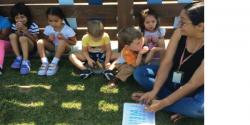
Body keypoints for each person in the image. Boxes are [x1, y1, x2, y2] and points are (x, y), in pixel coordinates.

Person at [132, 2, 204, 122]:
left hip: (195, 88)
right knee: (140, 73)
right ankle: (179, 105)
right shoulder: (180, 33)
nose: (179, 25)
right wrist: (154, 91)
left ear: (200, 26)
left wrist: (162, 104)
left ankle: (166, 102)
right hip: (173, 76)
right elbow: (167, 62)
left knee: (200, 108)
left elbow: (193, 84)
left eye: (183, 22)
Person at [37, 7, 81, 76]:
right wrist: (49, 39)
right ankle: (45, 63)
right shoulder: (48, 28)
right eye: (50, 21)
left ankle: (54, 63)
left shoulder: (67, 29)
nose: (53, 23)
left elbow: (74, 42)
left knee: (61, 42)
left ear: (62, 19)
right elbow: (46, 41)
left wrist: (64, 39)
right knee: (40, 41)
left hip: (66, 49)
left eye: (56, 21)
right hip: (54, 47)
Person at [9, 2, 39, 75]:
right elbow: (15, 37)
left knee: (23, 38)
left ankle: (25, 61)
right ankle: (18, 58)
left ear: (27, 17)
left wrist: (26, 32)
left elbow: (36, 41)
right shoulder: (14, 25)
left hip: (31, 48)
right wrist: (18, 31)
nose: (20, 20)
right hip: (20, 48)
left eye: (22, 17)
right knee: (12, 36)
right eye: (17, 18)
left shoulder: (33, 26)